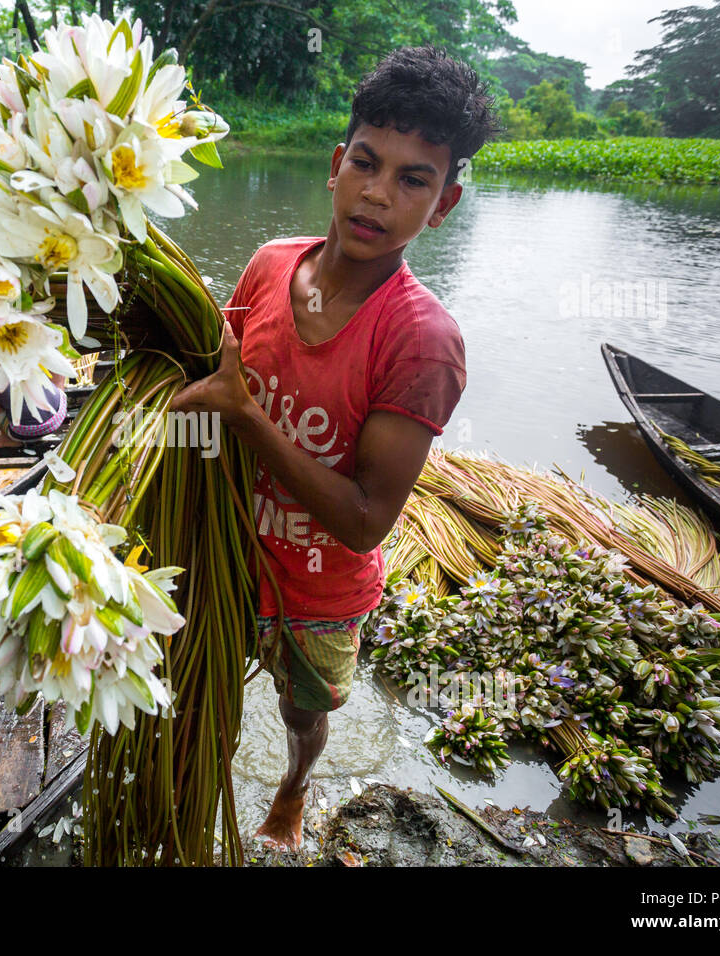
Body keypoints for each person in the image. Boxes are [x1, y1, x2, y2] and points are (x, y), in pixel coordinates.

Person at [170, 46, 500, 851]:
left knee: (301, 711)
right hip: (226, 549)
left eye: (413, 179)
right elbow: (211, 392)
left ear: (444, 204)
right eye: (366, 162)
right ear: (335, 164)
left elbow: (363, 521)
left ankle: (293, 784)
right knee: (199, 685)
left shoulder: (423, 341)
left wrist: (251, 421)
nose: (378, 194)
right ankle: (192, 785)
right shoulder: (266, 266)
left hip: (322, 590)